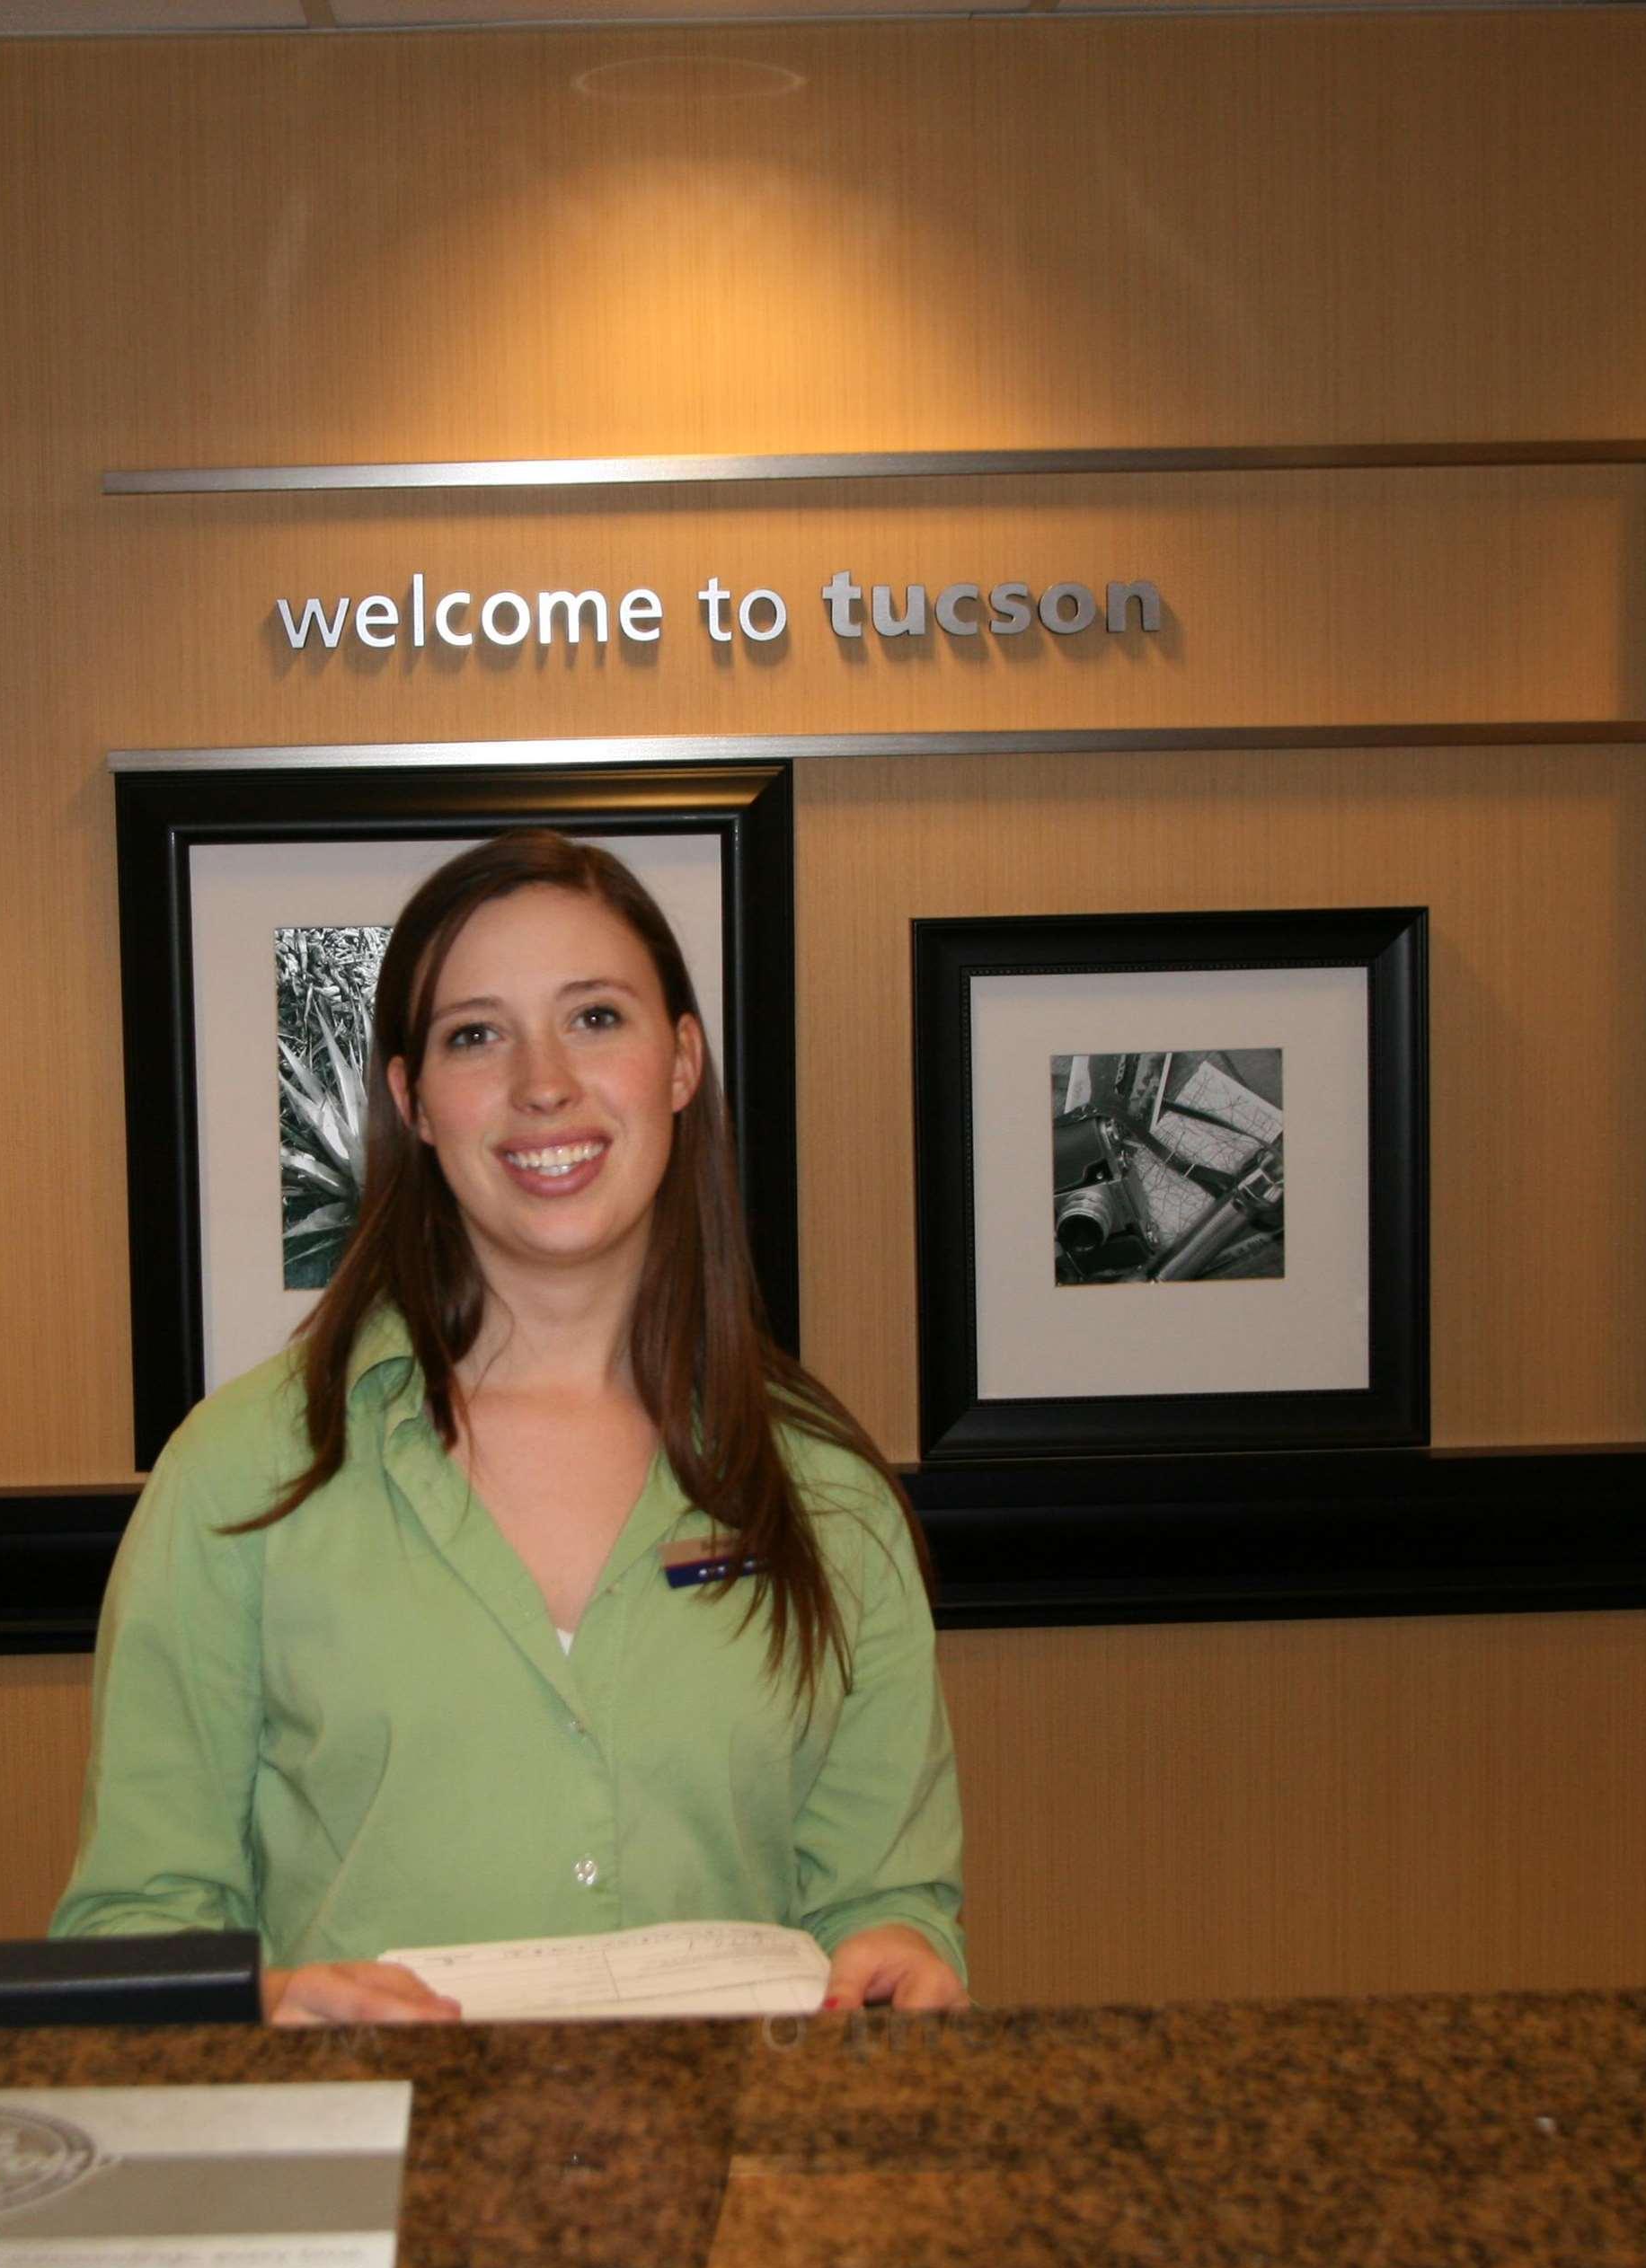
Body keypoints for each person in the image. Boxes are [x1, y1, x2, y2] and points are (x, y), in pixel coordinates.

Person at [52, 830, 965, 2025]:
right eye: (475, 1035)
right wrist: (263, 2006)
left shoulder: (827, 1492)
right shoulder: (240, 1475)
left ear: (681, 1062)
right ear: (411, 1102)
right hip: (365, 2176)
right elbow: (134, 1923)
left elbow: (886, 1899)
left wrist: (900, 1950)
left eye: (596, 1018)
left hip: (741, 2188)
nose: (544, 1083)